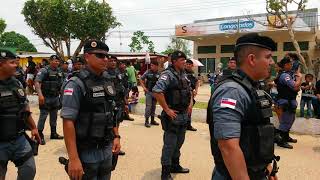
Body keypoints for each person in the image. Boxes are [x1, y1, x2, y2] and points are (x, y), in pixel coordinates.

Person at [207, 33, 279, 180]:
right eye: (268, 57)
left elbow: (256, 132)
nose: (271, 62)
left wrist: (266, 167)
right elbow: (228, 146)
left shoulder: (252, 87)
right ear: (252, 59)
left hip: (255, 172)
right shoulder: (232, 91)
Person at [61, 40, 121, 180]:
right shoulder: (76, 83)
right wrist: (74, 159)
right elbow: (68, 121)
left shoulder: (107, 79)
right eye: (100, 55)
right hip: (86, 151)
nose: (105, 59)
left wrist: (116, 136)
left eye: (107, 56)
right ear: (87, 56)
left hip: (106, 147)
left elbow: (111, 112)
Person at [0, 48, 41, 180]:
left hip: (19, 139)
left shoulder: (16, 82)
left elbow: (24, 107)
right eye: (12, 62)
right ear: (1, 63)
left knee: (29, 170)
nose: (16, 65)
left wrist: (34, 128)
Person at [153, 50, 192, 180]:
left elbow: (189, 90)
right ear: (174, 61)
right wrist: (167, 109)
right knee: (169, 145)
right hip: (172, 116)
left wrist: (190, 104)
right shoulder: (167, 75)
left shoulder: (184, 74)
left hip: (183, 115)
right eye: (182, 60)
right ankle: (165, 173)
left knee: (179, 143)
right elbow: (157, 91)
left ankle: (176, 165)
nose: (184, 62)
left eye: (185, 60)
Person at [35, 55, 64, 145]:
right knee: (43, 116)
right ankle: (39, 135)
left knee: (54, 116)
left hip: (55, 97)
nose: (56, 63)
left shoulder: (59, 71)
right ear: (50, 61)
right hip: (45, 97)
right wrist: (40, 95)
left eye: (57, 61)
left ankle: (53, 133)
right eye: (54, 61)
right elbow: (37, 82)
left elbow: (61, 84)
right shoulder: (44, 70)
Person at [274, 57, 302, 149]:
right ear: (286, 65)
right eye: (290, 63)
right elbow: (294, 86)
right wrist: (300, 78)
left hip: (290, 101)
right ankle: (281, 141)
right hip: (285, 101)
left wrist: (297, 84)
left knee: (291, 119)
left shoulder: (289, 75)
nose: (292, 65)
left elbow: (297, 88)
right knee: (285, 121)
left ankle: (286, 137)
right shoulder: (284, 75)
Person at [139, 60, 160, 128]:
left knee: (153, 107)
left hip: (156, 93)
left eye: (152, 65)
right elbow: (141, 79)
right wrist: (144, 87)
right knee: (148, 107)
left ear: (156, 66)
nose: (151, 66)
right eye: (151, 65)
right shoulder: (148, 72)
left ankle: (152, 120)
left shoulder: (159, 73)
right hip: (149, 92)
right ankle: (146, 121)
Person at [184, 59, 199, 131]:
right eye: (187, 64)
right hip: (183, 94)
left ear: (192, 66)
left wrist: (196, 90)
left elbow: (197, 82)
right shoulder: (182, 72)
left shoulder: (193, 73)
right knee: (184, 109)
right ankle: (183, 125)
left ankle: (188, 125)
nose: (188, 65)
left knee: (190, 109)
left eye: (190, 64)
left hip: (191, 94)